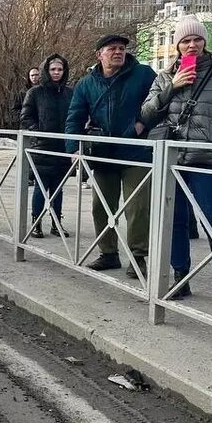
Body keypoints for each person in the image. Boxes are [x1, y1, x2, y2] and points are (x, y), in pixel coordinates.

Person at [140, 16, 212, 309]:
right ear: (177, 45)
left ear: (204, 42)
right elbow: (147, 115)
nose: (192, 45)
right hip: (172, 160)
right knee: (174, 220)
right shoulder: (165, 75)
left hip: (205, 160)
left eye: (196, 39)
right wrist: (172, 87)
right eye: (185, 41)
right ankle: (180, 277)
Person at [64, 34, 156, 278]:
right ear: (99, 55)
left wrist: (142, 123)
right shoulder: (86, 84)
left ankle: (138, 257)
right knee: (101, 206)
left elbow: (161, 102)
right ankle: (108, 253)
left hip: (136, 152)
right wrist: (74, 148)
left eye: (122, 48)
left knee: (137, 208)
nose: (118, 52)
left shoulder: (143, 74)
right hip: (103, 153)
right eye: (112, 48)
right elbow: (74, 118)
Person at [21, 55, 72, 238]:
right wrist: (39, 132)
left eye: (60, 69)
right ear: (46, 71)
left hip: (62, 147)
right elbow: (26, 116)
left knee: (58, 188)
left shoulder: (69, 93)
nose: (57, 73)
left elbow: (75, 116)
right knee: (41, 187)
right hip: (42, 147)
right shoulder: (35, 93)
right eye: (53, 70)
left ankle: (56, 223)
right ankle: (36, 222)